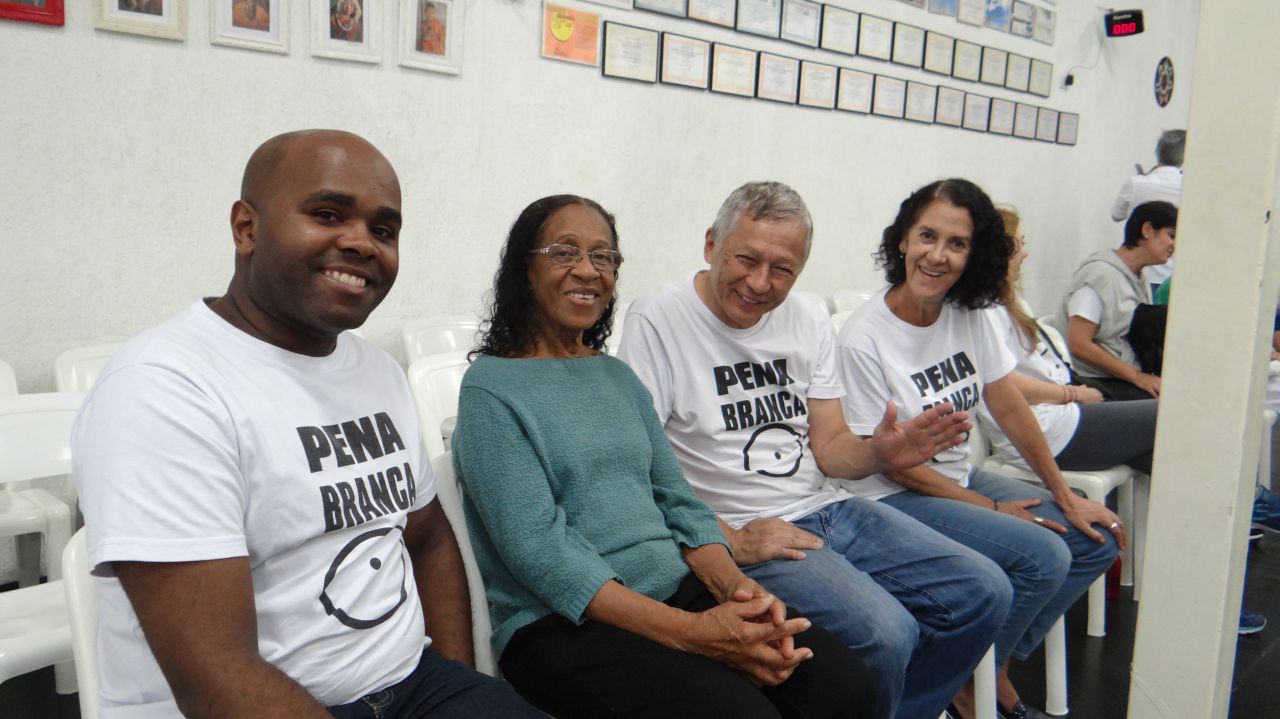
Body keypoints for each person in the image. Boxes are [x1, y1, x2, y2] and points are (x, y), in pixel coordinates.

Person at [71, 130, 541, 719]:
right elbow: (218, 680)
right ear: (247, 228)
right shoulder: (163, 390)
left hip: (415, 686)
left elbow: (426, 538)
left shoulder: (377, 372)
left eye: (384, 230)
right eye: (327, 214)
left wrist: (459, 684)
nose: (362, 243)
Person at [451, 194, 877, 718]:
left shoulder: (617, 377)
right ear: (525, 266)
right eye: (565, 252)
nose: (587, 269)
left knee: (843, 686)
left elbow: (679, 502)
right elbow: (540, 552)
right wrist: (694, 633)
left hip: (675, 589)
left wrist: (738, 593)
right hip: (561, 624)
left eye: (603, 256)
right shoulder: (490, 390)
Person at [617, 181, 1011, 719]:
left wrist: (881, 454)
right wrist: (729, 538)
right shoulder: (659, 318)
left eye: (783, 269)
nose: (760, 283)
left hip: (829, 506)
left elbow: (831, 449)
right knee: (888, 633)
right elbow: (642, 466)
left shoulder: (805, 317)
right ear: (711, 245)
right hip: (745, 526)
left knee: (984, 590)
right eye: (746, 259)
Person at [834, 179, 1123, 719]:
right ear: (902, 240)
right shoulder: (863, 338)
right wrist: (990, 508)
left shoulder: (971, 313)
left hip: (957, 480)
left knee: (1094, 541)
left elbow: (1009, 405)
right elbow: (891, 465)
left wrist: (1064, 494)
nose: (936, 255)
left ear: (975, 254)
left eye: (957, 244)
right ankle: (967, 681)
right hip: (892, 495)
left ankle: (983, 671)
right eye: (927, 236)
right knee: (1044, 556)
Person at [981, 207, 1157, 476]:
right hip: (1044, 430)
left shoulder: (1006, 301)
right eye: (1020, 244)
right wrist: (1072, 394)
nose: (1026, 253)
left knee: (1164, 452)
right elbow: (1002, 384)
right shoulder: (985, 310)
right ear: (999, 251)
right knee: (1167, 416)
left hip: (1056, 416)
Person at [1054, 201, 1177, 401]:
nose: (1174, 245)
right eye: (1171, 235)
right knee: (1161, 407)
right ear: (1147, 230)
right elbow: (1078, 344)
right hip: (1090, 379)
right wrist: (1137, 377)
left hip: (1119, 376)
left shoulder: (1139, 278)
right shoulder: (1100, 275)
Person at [1110, 129, 1184, 290]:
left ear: (1158, 152)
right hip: (1173, 275)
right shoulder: (1189, 186)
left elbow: (1116, 214)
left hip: (1140, 271)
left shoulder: (1137, 183)